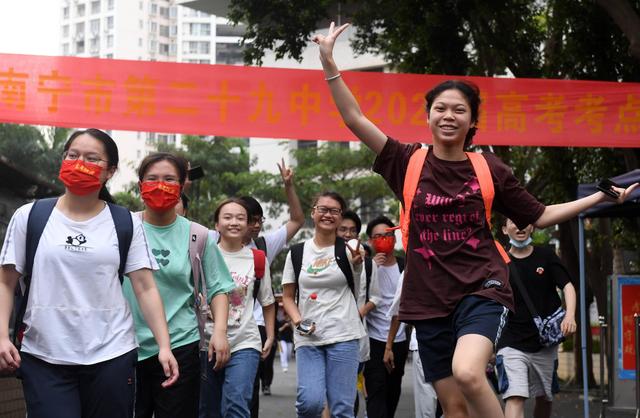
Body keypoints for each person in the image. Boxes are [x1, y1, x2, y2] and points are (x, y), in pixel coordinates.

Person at [314, 22, 638, 418]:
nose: (449, 116)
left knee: (468, 372)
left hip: (482, 288)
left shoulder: (490, 169)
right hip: (427, 298)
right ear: (429, 116)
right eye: (440, 108)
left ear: (472, 122)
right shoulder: (406, 161)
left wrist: (598, 197)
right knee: (453, 408)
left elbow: (541, 215)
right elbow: (353, 118)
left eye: (459, 110)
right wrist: (329, 61)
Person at [0, 128, 179, 418]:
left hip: (112, 354)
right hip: (45, 355)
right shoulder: (30, 216)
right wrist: (1, 337)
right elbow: (5, 283)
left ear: (110, 171)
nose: (80, 162)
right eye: (73, 155)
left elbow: (145, 287)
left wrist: (164, 346)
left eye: (92, 158)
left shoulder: (125, 223)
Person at [123, 152, 235, 418]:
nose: (160, 185)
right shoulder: (123, 227)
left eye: (169, 179)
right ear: (140, 186)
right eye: (152, 179)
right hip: (125, 345)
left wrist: (219, 332)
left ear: (183, 185)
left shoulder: (199, 235)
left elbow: (219, 288)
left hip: (181, 344)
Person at [282, 191, 367, 418]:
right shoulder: (297, 252)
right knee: (310, 403)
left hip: (344, 334)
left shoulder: (350, 251)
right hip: (308, 337)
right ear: (313, 213)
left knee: (342, 408)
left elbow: (359, 279)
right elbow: (288, 296)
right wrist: (299, 321)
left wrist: (358, 262)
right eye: (323, 209)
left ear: (340, 217)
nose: (328, 215)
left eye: (334, 211)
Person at [201, 198, 276, 418]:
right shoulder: (203, 255)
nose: (234, 222)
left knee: (236, 406)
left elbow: (268, 301)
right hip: (205, 343)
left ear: (248, 225)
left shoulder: (257, 258)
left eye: (240, 218)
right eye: (227, 217)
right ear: (216, 225)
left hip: (245, 342)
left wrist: (270, 335)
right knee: (207, 411)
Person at [497, 219, 577, 418]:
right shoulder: (499, 265)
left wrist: (570, 316)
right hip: (511, 342)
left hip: (545, 343)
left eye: (523, 220)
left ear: (531, 226)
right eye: (512, 222)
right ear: (505, 229)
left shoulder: (546, 256)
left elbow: (567, 286)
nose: (519, 225)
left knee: (545, 398)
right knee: (515, 396)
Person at [337, 210, 382, 417]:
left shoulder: (367, 263)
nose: (347, 234)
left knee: (349, 389)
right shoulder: (322, 258)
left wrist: (360, 311)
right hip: (326, 332)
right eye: (343, 229)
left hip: (356, 333)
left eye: (352, 230)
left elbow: (376, 297)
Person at [363, 216, 408, 418]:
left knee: (393, 388)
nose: (384, 239)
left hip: (399, 339)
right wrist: (371, 268)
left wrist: (391, 345)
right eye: (378, 236)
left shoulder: (404, 266)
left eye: (388, 235)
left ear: (395, 239)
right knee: (376, 389)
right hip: (373, 339)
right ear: (371, 241)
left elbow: (404, 305)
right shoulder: (364, 267)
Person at [386, 273, 440, 418]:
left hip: (430, 339)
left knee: (429, 405)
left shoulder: (413, 265)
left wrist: (389, 346)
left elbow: (399, 308)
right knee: (451, 404)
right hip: (436, 340)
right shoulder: (460, 261)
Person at [276, 303, 294, 373]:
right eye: (287, 315)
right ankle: (284, 366)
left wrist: (291, 325)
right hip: (281, 340)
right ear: (285, 315)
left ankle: (286, 363)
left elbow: (294, 331)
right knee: (283, 352)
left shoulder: (291, 323)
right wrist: (284, 326)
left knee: (289, 354)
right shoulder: (281, 322)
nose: (288, 317)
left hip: (289, 340)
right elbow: (278, 330)